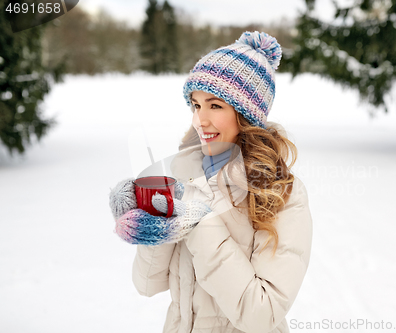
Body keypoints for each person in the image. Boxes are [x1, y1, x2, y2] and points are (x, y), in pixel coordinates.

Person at [109, 31, 313, 333]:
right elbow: (147, 284)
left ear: (245, 115)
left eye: (215, 106)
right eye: (196, 105)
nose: (200, 120)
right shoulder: (183, 174)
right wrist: (152, 218)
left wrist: (198, 222)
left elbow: (262, 313)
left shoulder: (279, 191)